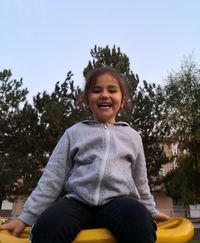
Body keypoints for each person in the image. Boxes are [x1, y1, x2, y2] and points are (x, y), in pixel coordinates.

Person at [0, 67, 169, 243]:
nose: (104, 95)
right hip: (78, 203)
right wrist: (26, 216)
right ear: (87, 100)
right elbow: (52, 178)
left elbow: (140, 181)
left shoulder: (132, 136)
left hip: (119, 203)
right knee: (48, 224)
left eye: (112, 90)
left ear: (122, 100)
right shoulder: (74, 133)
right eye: (96, 90)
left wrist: (150, 210)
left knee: (138, 220)